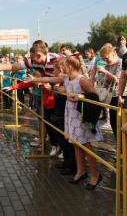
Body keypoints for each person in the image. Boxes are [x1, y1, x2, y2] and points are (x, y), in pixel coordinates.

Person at [27, 56, 103, 189]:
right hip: (71, 114)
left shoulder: (82, 80)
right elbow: (49, 79)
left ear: (70, 66)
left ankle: (95, 174)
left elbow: (95, 97)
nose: (62, 69)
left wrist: (81, 96)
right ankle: (81, 171)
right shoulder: (66, 78)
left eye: (64, 66)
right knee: (75, 144)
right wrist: (35, 79)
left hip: (80, 115)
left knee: (85, 145)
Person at [98, 44, 127, 141]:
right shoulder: (107, 65)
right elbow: (106, 82)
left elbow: (117, 79)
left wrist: (105, 72)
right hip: (111, 96)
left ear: (113, 53)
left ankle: (123, 150)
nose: (105, 60)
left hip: (122, 95)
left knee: (122, 123)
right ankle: (119, 148)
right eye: (103, 59)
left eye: (107, 58)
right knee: (114, 123)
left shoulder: (120, 62)